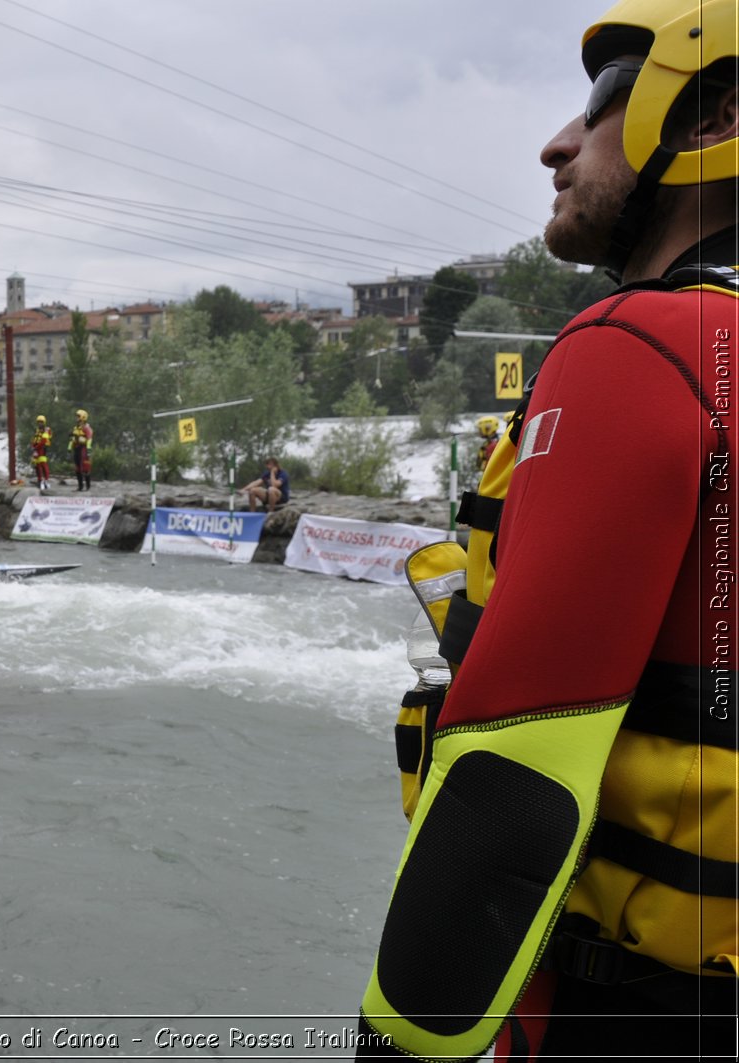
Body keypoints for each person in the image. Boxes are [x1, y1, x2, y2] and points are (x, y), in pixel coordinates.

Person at [359, 3, 739, 1058]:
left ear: (715, 120)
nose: (556, 144)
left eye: (601, 106)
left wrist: (399, 1041)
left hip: (647, 1010)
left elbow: (515, 772)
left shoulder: (646, 346)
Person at [67, 408, 93, 490]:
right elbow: (72, 440)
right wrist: (69, 449)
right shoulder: (76, 428)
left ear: (83, 417)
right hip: (77, 449)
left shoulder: (86, 428)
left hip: (84, 449)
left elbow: (89, 439)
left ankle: (88, 486)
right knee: (77, 468)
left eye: (78, 417)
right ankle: (80, 486)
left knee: (85, 468)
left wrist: (88, 450)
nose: (76, 418)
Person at [31, 414, 53, 491]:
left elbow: (43, 441)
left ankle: (46, 479)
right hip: (36, 449)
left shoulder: (47, 430)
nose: (40, 423)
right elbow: (34, 439)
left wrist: (36, 448)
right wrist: (33, 447)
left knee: (43, 464)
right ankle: (39, 480)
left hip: (42, 449)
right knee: (36, 465)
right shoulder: (37, 430)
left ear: (44, 422)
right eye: (39, 422)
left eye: (41, 422)